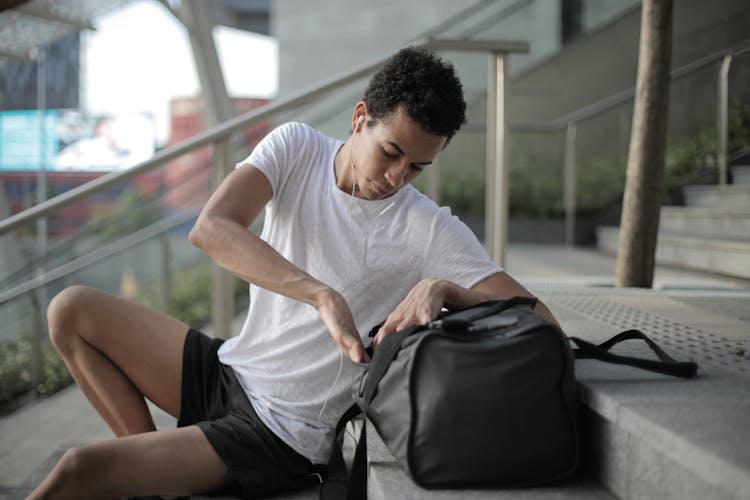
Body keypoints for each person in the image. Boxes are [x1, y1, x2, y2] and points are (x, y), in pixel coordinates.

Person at [28, 47, 558, 499]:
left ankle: (144, 475)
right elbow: (212, 228)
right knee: (70, 310)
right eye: (391, 152)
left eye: (418, 166)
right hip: (229, 370)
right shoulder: (297, 147)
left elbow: (540, 320)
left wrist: (444, 289)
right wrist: (321, 295)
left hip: (280, 433)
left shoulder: (428, 229)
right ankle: (149, 479)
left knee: (79, 469)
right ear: (360, 118)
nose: (397, 176)